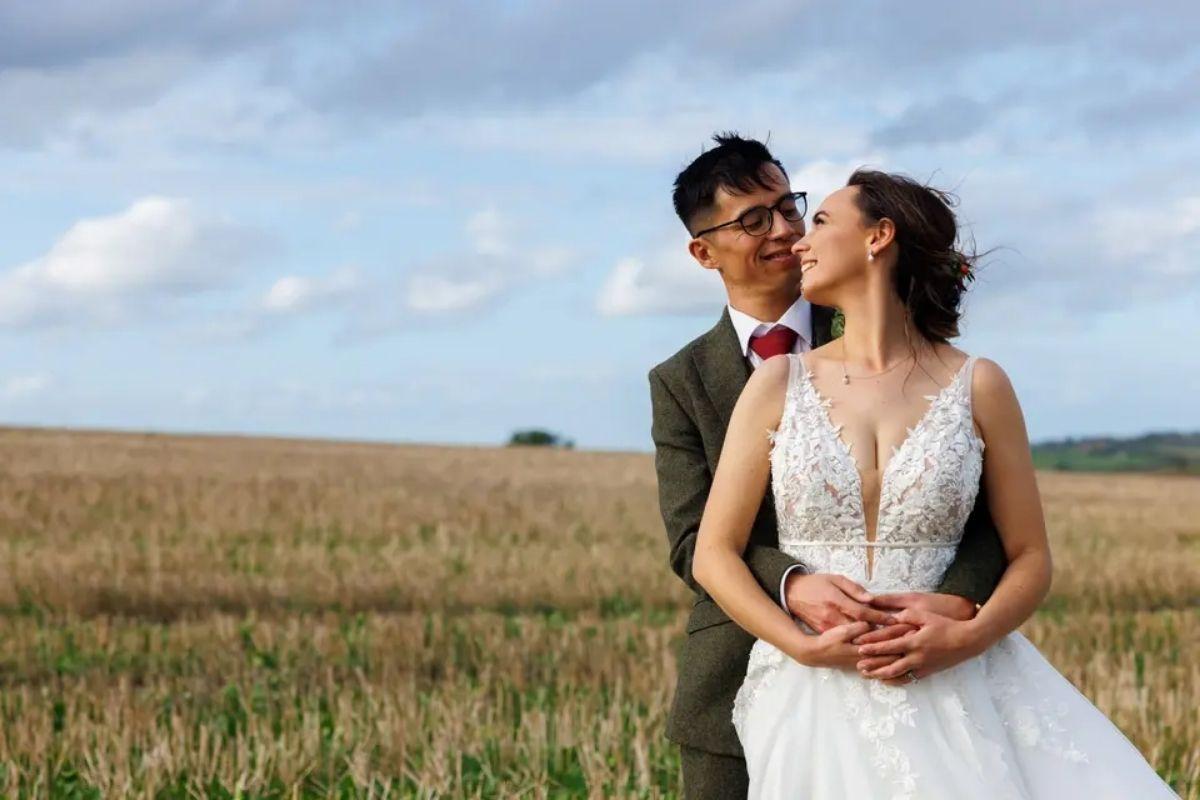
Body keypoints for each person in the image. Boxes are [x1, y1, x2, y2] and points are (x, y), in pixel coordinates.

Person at [690, 166, 1181, 797]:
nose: (798, 243)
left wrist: (969, 636)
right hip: (808, 695)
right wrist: (804, 648)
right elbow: (712, 553)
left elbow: (1030, 555)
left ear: (879, 237)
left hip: (959, 685)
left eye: (819, 221)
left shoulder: (980, 383)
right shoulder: (777, 383)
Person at [648, 133, 1009, 798]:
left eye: (791, 207)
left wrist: (953, 604)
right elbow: (693, 540)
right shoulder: (681, 381)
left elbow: (977, 513)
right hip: (735, 677)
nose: (784, 229)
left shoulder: (884, 322)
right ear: (703, 252)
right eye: (754, 220)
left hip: (918, 663)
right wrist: (792, 584)